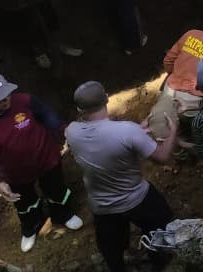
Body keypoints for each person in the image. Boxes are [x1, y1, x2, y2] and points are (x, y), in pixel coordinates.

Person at [66, 81, 177, 272]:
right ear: (107, 98)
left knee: (111, 248)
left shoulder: (71, 132)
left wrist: (136, 133)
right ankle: (159, 261)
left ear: (79, 108)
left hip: (102, 206)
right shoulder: (127, 131)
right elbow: (162, 157)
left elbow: (102, 138)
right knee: (162, 222)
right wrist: (172, 132)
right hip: (137, 198)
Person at [0, 74, 82, 252]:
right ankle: (31, 227)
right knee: (24, 202)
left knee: (56, 189)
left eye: (7, 95)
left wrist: (64, 128)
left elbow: (47, 116)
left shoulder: (25, 101)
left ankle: (63, 214)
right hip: (15, 173)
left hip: (46, 159)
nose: (6, 100)